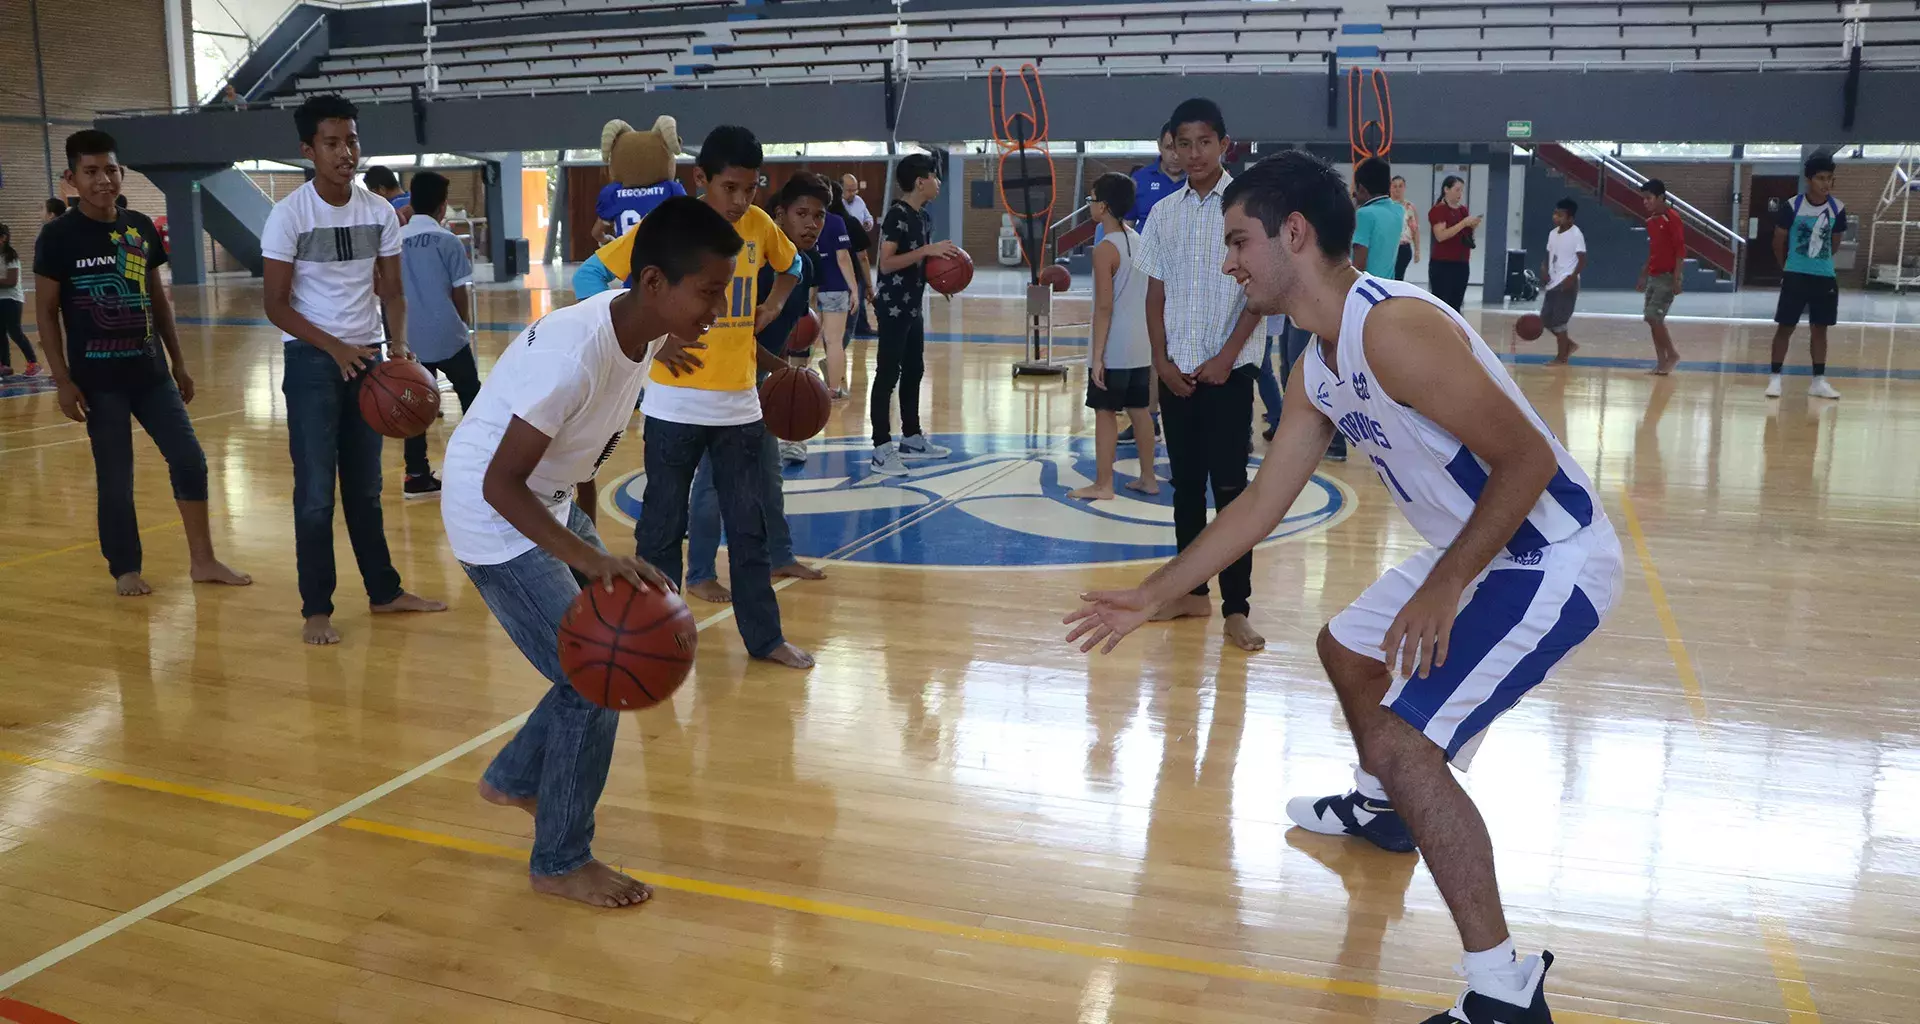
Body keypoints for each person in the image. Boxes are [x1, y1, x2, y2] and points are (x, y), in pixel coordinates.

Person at [1067, 150, 1621, 1024]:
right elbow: (1257, 505)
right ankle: (1385, 812)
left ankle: (1504, 992)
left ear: (1295, 233)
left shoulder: (1392, 328)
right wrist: (1152, 592)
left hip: (1550, 553)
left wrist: (1444, 584)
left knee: (1409, 745)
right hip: (1482, 550)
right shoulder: (1317, 367)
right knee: (1347, 648)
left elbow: (1528, 461)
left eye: (1239, 240)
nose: (1227, 261)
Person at [445, 197, 735, 909]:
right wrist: (591, 556)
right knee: (596, 675)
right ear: (656, 283)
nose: (717, 309)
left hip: (544, 499)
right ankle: (560, 859)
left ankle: (515, 778)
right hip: (494, 514)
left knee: (604, 650)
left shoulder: (641, 323)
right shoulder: (573, 359)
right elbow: (498, 483)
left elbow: (587, 437)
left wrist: (585, 536)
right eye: (709, 292)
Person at [622, 124, 814, 669]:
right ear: (700, 178)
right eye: (730, 187)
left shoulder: (758, 226)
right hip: (671, 407)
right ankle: (655, 639)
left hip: (740, 406)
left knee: (748, 529)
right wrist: (651, 345)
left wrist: (774, 307)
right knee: (660, 529)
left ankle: (765, 638)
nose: (741, 200)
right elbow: (594, 278)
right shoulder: (670, 228)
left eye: (751, 188)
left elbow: (793, 266)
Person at [31, 130, 250, 595]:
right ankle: (125, 566)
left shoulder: (139, 229)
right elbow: (46, 313)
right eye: (91, 172)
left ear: (121, 172)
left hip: (152, 376)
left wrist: (179, 362)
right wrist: (62, 380)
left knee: (191, 461)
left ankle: (204, 560)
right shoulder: (57, 237)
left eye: (110, 170)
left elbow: (157, 299)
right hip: (97, 382)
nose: (103, 180)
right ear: (72, 179)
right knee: (116, 478)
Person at [262, 94, 444, 645]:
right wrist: (336, 348)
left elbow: (391, 289)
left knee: (365, 490)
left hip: (368, 360)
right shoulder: (288, 215)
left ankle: (384, 593)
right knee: (316, 491)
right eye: (333, 143)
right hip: (313, 360)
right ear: (308, 149)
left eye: (352, 141)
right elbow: (276, 305)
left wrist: (400, 347)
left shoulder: (380, 211)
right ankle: (316, 607)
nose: (346, 153)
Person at [1137, 97, 1265, 653]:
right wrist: (1161, 362)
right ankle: (1190, 593)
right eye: (1182, 144)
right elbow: (1155, 293)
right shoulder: (1165, 213)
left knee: (1231, 492)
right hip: (1177, 376)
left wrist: (1226, 356)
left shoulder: (1247, 208)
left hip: (1228, 373)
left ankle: (1237, 608)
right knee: (1186, 489)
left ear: (1223, 144)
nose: (1192, 153)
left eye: (1203, 143)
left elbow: (1261, 293)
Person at [684, 172, 832, 601]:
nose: (811, 224)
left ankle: (780, 555)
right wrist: (786, 373)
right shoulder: (756, 264)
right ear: (778, 215)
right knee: (713, 480)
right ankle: (699, 573)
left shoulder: (799, 265)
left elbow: (780, 330)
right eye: (801, 214)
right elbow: (735, 335)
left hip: (761, 380)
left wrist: (782, 372)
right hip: (724, 380)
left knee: (769, 474)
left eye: (819, 216)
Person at [1068, 172, 1158, 503]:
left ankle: (1104, 484)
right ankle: (1148, 478)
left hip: (1116, 346)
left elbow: (1104, 307)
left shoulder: (1105, 248)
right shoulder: (1139, 239)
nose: (1090, 205)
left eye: (1091, 199)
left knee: (1105, 413)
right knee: (1140, 411)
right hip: (1142, 344)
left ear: (1103, 206)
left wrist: (1096, 357)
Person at [869, 153, 959, 477]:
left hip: (912, 304)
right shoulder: (897, 215)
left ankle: (911, 438)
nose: (938, 182)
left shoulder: (924, 217)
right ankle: (881, 448)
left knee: (915, 370)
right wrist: (926, 251)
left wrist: (940, 280)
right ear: (920, 182)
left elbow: (922, 263)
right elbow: (887, 262)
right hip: (892, 305)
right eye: (935, 177)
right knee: (887, 373)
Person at [394, 171, 479, 498]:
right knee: (472, 398)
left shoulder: (395, 240)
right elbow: (460, 294)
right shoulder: (448, 241)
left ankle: (415, 475)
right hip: (448, 336)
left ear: (411, 201)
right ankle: (478, 464)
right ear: (443, 208)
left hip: (410, 340)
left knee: (414, 410)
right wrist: (460, 325)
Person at [1767, 153, 1846, 400]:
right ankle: (1775, 378)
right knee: (1785, 326)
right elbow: (1778, 240)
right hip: (1795, 275)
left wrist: (1817, 262)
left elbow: (1834, 245)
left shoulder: (1838, 209)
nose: (1825, 183)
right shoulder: (1793, 206)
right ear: (1809, 180)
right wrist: (1787, 267)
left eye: (1829, 179)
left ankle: (1818, 381)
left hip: (1824, 277)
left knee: (1820, 329)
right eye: (1821, 178)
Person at [1636, 179, 1685, 376]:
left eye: (1649, 198)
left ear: (1661, 198)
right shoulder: (1651, 221)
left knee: (1653, 316)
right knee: (1652, 320)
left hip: (1667, 276)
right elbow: (1654, 250)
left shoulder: (1672, 218)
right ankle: (1661, 361)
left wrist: (1677, 278)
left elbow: (1680, 250)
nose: (1645, 202)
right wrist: (1643, 273)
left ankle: (1672, 354)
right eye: (1644, 199)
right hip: (1653, 276)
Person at [814, 187, 858, 399]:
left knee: (801, 341)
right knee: (833, 341)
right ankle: (833, 389)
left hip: (806, 286)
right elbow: (843, 258)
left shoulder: (796, 219)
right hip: (834, 287)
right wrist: (855, 289)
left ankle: (793, 385)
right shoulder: (835, 221)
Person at [1541, 198, 1587, 365]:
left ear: (1570, 218)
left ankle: (1562, 357)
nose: (1556, 217)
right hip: (1553, 281)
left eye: (1560, 215)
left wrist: (1572, 277)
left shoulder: (1576, 234)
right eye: (1555, 213)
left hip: (1567, 281)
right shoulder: (1552, 234)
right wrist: (1544, 270)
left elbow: (1582, 260)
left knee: (1559, 321)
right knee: (1545, 318)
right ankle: (1568, 345)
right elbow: (1548, 255)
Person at [1427, 175, 1479, 312]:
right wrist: (1463, 223)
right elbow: (1441, 236)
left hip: (1461, 262)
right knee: (1441, 303)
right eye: (1457, 190)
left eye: (1461, 191)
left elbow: (1465, 235)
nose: (1460, 194)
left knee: (1457, 303)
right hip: (1443, 263)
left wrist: (1472, 226)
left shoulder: (1463, 210)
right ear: (1446, 189)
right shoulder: (1438, 210)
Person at [841, 173, 880, 339]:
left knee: (860, 287)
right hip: (844, 250)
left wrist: (868, 223)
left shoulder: (859, 202)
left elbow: (868, 217)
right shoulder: (837, 207)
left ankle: (860, 326)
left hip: (858, 247)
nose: (853, 194)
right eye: (849, 190)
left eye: (855, 190)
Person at [1351, 157, 1402, 280]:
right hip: (1386, 287)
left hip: (1367, 291)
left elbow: (1358, 267)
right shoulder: (1398, 211)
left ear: (1362, 189)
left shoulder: (1364, 214)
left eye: (1355, 189)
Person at [1127, 123, 1186, 231]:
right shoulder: (1140, 180)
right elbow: (1127, 226)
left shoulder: (1201, 180)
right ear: (1159, 145)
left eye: (1181, 147)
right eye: (1169, 148)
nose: (1176, 156)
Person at [0, 224, 40, 377]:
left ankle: (33, 362)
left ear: (3, 238)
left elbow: (12, 281)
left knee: (15, 332)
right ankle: (5, 365)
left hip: (12, 300)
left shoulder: (11, 256)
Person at [1392, 175, 1420, 281]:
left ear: (1404, 188)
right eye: (1395, 186)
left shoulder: (1409, 207)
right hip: (1390, 246)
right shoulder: (1387, 205)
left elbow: (1415, 229)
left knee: (1398, 277)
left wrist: (1417, 250)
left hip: (1403, 247)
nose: (1397, 189)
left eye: (1400, 186)